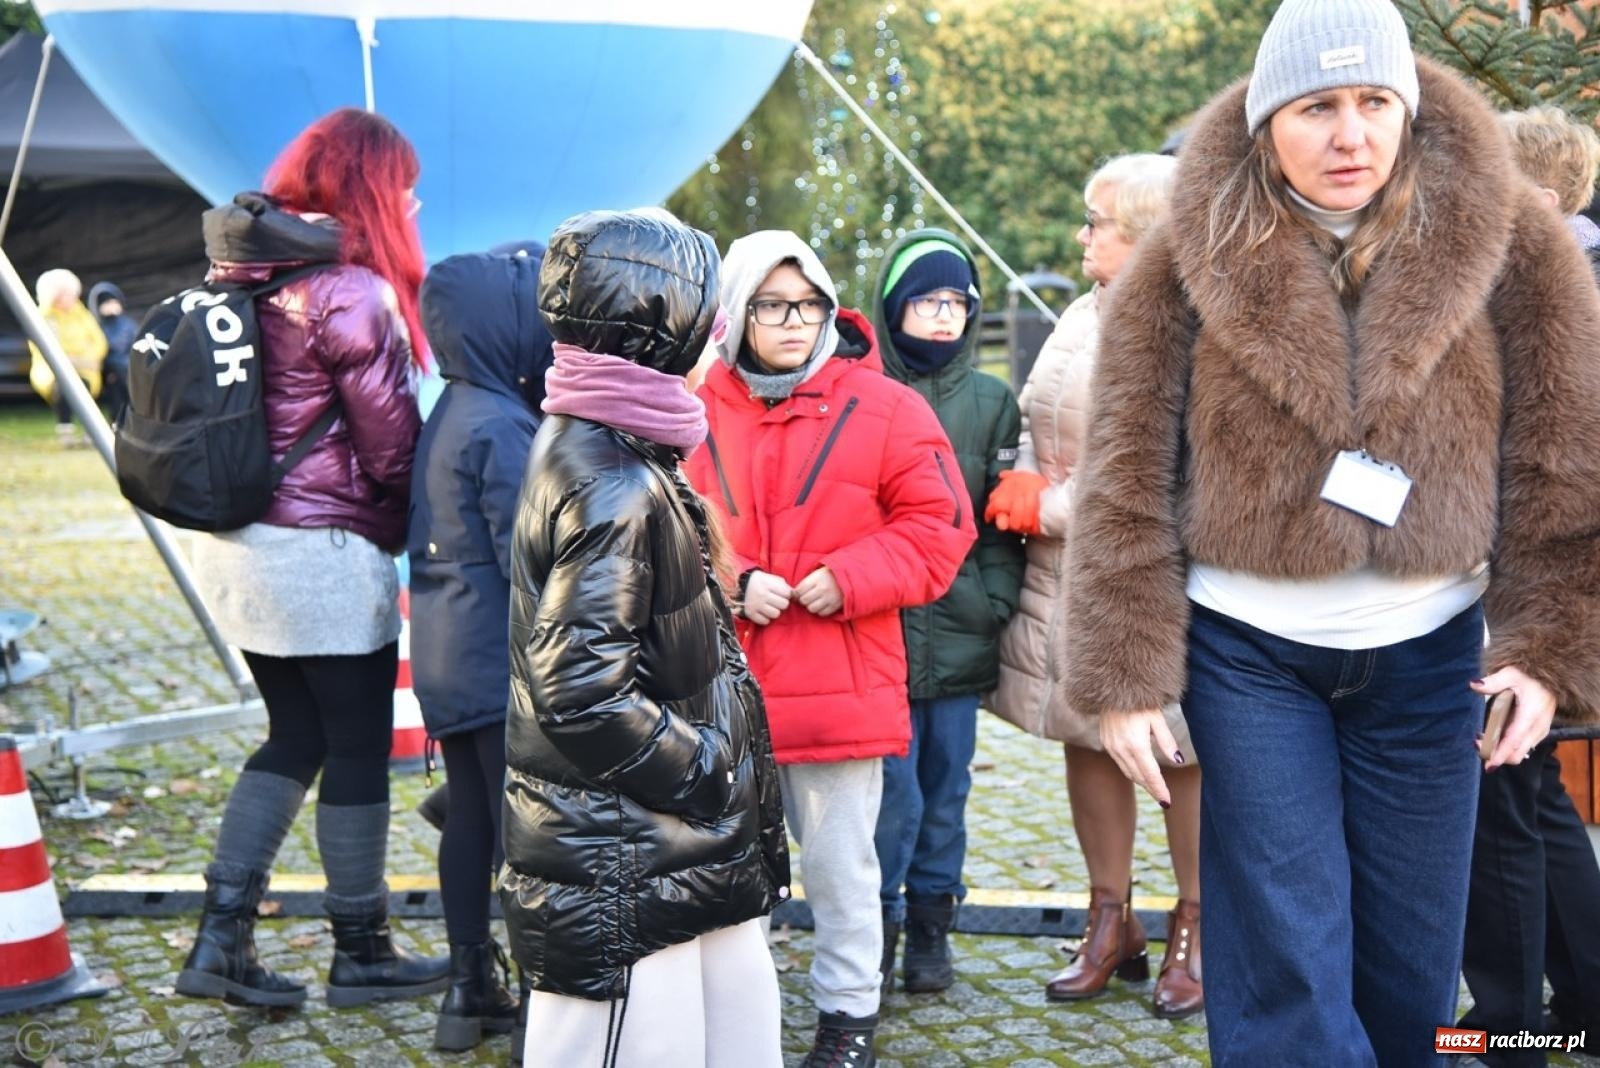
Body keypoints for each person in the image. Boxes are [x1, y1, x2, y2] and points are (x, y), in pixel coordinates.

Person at [1062, 1, 1600, 1064]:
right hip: (1246, 653)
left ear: (1406, 110)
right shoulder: (1184, 250)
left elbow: (1562, 458)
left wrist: (1545, 652)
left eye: (1371, 103)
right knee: (1283, 966)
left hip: (1433, 655)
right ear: (1268, 121)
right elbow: (1124, 470)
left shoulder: (1511, 239)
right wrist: (1123, 673)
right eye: (1316, 107)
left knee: (1407, 966)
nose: (1348, 134)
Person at [501, 208, 790, 1068]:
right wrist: (707, 770)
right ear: (660, 329)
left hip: (663, 848)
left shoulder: (622, 452)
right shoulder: (612, 479)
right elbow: (582, 693)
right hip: (627, 859)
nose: (721, 339)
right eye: (710, 319)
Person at [683, 229, 975, 1067]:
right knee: (723, 866)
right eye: (771, 305)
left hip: (839, 681)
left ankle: (849, 1018)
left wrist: (849, 576)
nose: (791, 322)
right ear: (735, 311)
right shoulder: (691, 411)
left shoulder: (885, 407)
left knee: (843, 868)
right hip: (719, 684)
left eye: (805, 305)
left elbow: (941, 526)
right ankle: (736, 1015)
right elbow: (659, 529)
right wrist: (733, 582)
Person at [176, 108, 445, 1010]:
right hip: (321, 549)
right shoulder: (348, 290)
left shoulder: (241, 273)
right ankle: (361, 951)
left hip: (236, 541)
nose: (414, 198)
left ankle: (222, 939)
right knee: (360, 745)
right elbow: (392, 450)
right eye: (403, 183)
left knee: (294, 735)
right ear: (373, 186)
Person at [985, 153, 1203, 1020]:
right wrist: (1021, 481)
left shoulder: (1186, 321)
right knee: (1086, 736)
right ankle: (1108, 918)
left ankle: (1196, 922)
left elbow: (1170, 471)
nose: (1082, 235)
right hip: (1064, 574)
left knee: (1180, 751)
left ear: (1146, 230)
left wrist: (1049, 506)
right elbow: (1039, 415)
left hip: (1146, 574)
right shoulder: (1084, 309)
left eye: (1097, 221)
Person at [1454, 105, 1600, 1065]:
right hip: (1538, 587)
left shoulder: (1566, 298)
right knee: (1534, 795)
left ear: (1541, 199)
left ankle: (1508, 1026)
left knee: (1502, 799)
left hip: (1539, 589)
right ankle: (1583, 1006)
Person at [869, 229, 1024, 995]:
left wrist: (995, 601)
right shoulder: (858, 389)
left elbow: (1000, 523)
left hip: (961, 629)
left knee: (945, 791)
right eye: (926, 301)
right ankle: (878, 926)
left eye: (956, 303)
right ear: (894, 307)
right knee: (887, 798)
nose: (942, 316)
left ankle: (932, 930)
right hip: (879, 634)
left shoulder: (992, 402)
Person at [408, 250, 553, 1052]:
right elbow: (524, 559)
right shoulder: (501, 423)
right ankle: (540, 1001)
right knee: (523, 836)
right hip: (496, 661)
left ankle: (469, 991)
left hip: (445, 650)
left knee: (471, 820)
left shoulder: (454, 405)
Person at [28, 268, 107, 447]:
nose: (73, 297)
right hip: (51, 369)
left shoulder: (82, 314)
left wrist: (88, 358)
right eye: (67, 294)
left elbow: (99, 341)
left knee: (85, 383)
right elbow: (44, 348)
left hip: (87, 369)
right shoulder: (44, 317)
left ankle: (91, 431)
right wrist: (71, 360)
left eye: (73, 293)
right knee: (64, 385)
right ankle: (66, 432)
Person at [88, 282, 136, 424]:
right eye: (106, 303)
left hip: (127, 368)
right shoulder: (94, 326)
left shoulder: (128, 325)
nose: (111, 306)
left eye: (113, 302)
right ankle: (117, 419)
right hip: (105, 369)